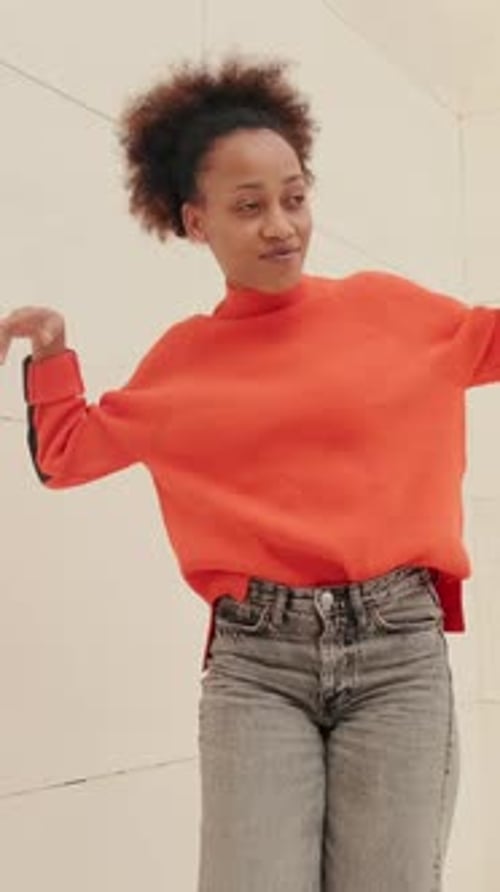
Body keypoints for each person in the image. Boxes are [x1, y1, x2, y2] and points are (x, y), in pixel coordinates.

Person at [1, 53, 499, 892]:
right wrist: (52, 356)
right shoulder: (183, 362)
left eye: (295, 197)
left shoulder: (388, 309)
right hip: (258, 666)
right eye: (249, 206)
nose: (282, 226)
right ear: (196, 222)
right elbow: (66, 456)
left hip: (398, 656)